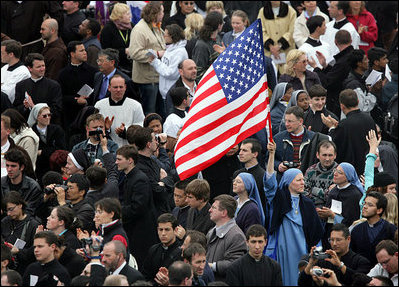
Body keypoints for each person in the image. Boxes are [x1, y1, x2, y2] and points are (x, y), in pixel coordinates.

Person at [264, 139, 323, 286]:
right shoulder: (279, 198)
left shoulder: (308, 203)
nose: (302, 183)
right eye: (298, 180)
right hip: (283, 246)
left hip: (302, 246)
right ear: (288, 181)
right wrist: (272, 155)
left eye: (303, 180)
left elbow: (316, 231)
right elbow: (270, 183)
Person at [115, 144, 158, 268]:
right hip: (134, 230)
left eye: (119, 159)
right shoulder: (129, 177)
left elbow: (138, 207)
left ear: (130, 160)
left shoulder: (140, 179)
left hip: (142, 233)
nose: (116, 162)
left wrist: (117, 211)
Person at [322, 89, 377, 176]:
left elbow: (335, 145)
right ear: (358, 101)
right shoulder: (369, 119)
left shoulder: (344, 124)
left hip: (351, 171)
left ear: (342, 106)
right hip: (369, 166)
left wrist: (332, 128)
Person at [299, 223, 371, 286]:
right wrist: (310, 264)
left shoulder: (361, 262)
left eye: (338, 240)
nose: (334, 244)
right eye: (332, 240)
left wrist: (340, 265)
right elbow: (302, 283)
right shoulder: (324, 260)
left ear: (348, 239)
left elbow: (360, 281)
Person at [128, 2, 166, 115]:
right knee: (150, 113)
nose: (163, 14)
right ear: (156, 14)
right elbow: (135, 53)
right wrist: (158, 54)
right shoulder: (139, 30)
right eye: (162, 12)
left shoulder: (156, 26)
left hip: (158, 78)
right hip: (147, 81)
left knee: (161, 112)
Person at [94, 74, 145, 147]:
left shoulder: (135, 105)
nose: (118, 90)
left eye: (121, 87)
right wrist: (106, 129)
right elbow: (93, 127)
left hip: (128, 148)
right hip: (105, 147)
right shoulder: (99, 105)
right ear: (109, 88)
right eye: (115, 87)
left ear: (125, 87)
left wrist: (125, 131)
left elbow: (141, 127)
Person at [149, 24, 188, 118]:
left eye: (165, 35)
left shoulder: (180, 52)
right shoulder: (170, 49)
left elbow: (171, 73)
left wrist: (155, 62)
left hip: (172, 94)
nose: (164, 37)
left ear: (172, 36)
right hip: (165, 93)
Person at [314, 30, 356, 116]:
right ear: (351, 40)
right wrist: (325, 66)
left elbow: (328, 82)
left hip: (340, 101)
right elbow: (337, 74)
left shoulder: (343, 60)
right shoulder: (352, 55)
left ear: (335, 42)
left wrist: (316, 68)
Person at [13, 53, 63, 126]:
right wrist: (25, 107)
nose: (42, 69)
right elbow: (16, 109)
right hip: (27, 126)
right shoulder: (21, 85)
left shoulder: (53, 86)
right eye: (38, 67)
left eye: (43, 65)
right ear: (30, 68)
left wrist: (34, 107)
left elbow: (57, 109)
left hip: (48, 126)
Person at [58, 40, 98, 130]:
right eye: (81, 51)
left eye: (85, 50)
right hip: (70, 115)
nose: (85, 53)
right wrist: (75, 100)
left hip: (89, 114)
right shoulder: (63, 74)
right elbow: (61, 96)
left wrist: (87, 101)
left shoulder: (93, 72)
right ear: (72, 54)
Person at [206, 194, 247, 281]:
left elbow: (235, 264)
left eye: (213, 208)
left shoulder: (236, 236)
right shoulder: (211, 232)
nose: (209, 210)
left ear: (224, 213)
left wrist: (210, 266)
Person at [134, 127, 174, 216]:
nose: (157, 142)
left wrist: (162, 182)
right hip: (151, 216)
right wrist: (164, 181)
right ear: (148, 144)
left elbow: (170, 181)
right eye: (155, 139)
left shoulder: (153, 161)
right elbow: (157, 192)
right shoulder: (139, 166)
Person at [351, 192, 397, 265]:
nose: (365, 207)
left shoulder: (391, 230)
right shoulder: (357, 230)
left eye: (370, 205)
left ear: (379, 210)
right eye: (364, 203)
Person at [272, 106, 315, 180]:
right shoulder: (278, 138)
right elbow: (270, 159)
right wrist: (278, 165)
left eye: (290, 121)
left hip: (306, 180)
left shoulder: (313, 138)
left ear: (300, 122)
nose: (286, 124)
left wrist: (304, 166)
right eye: (285, 121)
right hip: (284, 180)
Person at [29, 104, 66, 184]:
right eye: (44, 116)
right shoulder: (31, 132)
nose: (48, 117)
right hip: (39, 168)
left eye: (49, 115)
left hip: (55, 167)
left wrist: (42, 152)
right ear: (37, 117)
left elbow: (61, 149)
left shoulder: (57, 129)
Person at [257, 1, 297, 75]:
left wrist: (280, 45)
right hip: (269, 54)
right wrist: (270, 46)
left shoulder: (291, 11)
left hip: (287, 53)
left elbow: (293, 30)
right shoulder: (262, 12)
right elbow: (260, 30)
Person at [142, 213, 182, 284]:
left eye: (167, 229)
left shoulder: (181, 252)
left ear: (175, 230)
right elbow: (145, 275)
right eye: (161, 230)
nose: (163, 233)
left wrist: (169, 284)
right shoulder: (153, 250)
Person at [1, 149, 42, 216]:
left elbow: (29, 213)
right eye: (7, 165)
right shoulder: (2, 183)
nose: (9, 169)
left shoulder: (33, 187)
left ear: (22, 167)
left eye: (13, 166)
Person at [232, 138, 267, 215]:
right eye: (240, 150)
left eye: (244, 150)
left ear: (255, 154)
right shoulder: (237, 173)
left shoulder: (263, 175)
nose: (240, 153)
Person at [100, 3, 133, 75]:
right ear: (119, 16)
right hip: (116, 69)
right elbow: (106, 51)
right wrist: (124, 51)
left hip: (131, 66)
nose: (130, 16)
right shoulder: (108, 29)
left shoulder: (131, 27)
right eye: (127, 14)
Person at [304, 140, 338, 208]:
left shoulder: (339, 172)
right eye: (324, 155)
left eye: (330, 155)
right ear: (317, 155)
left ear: (335, 155)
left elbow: (335, 196)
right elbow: (304, 192)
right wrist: (323, 196)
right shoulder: (310, 171)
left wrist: (314, 190)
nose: (327, 159)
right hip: (312, 208)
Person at [343, 49, 378, 114]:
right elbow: (362, 107)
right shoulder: (354, 84)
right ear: (359, 63)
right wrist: (373, 93)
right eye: (365, 59)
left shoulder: (361, 79)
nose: (368, 61)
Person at [192, 11, 223, 81]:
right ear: (219, 25)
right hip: (208, 84)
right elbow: (198, 71)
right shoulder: (201, 45)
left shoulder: (218, 38)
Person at [1, 40, 30, 104]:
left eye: (2, 53)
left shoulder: (23, 72)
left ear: (11, 54)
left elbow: (7, 93)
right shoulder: (4, 68)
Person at [163, 87, 189, 153]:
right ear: (184, 101)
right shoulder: (171, 120)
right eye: (188, 96)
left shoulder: (186, 113)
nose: (190, 98)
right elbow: (170, 145)